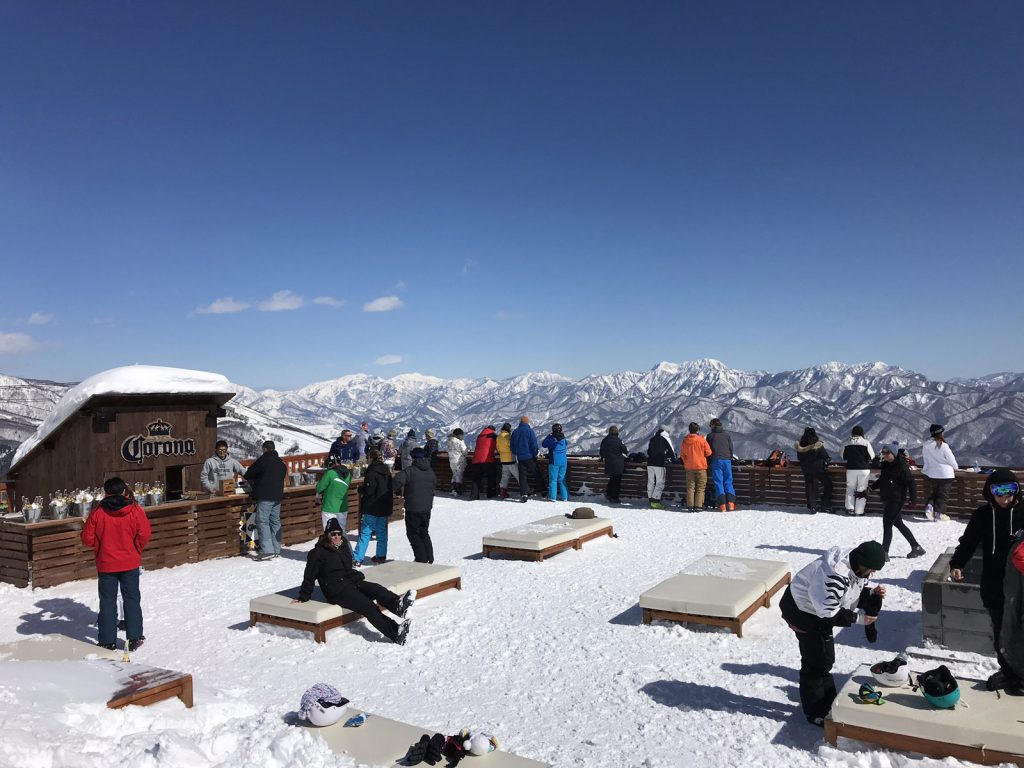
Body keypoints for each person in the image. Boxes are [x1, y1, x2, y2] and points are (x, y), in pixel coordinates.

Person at [780, 540, 887, 726]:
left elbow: (849, 592)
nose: (873, 574)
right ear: (862, 564)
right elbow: (829, 613)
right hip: (802, 612)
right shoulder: (833, 576)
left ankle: (827, 702)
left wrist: (870, 594)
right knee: (815, 663)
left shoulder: (854, 564)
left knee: (824, 659)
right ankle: (815, 713)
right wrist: (860, 620)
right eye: (871, 569)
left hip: (817, 609)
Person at [949, 468, 1024, 691]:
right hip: (994, 583)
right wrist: (957, 564)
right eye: (998, 490)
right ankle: (1009, 673)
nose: (1004, 496)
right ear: (989, 492)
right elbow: (968, 543)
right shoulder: (982, 515)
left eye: (1009, 489)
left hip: (1021, 582)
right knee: (1002, 630)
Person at [295, 517, 413, 645]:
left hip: (349, 581)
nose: (336, 536)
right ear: (326, 535)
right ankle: (396, 633)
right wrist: (303, 596)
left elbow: (347, 568)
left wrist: (356, 576)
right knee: (368, 606)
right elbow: (309, 576)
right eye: (333, 534)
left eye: (339, 533)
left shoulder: (343, 546)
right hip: (336, 591)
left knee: (377, 589)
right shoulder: (318, 553)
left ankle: (398, 605)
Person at [81, 477, 152, 651]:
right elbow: (145, 534)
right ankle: (134, 637)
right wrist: (136, 548)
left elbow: (87, 539)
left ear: (106, 493)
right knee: (132, 599)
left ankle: (107, 640)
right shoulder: (135, 509)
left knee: (107, 601)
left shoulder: (97, 512)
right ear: (124, 491)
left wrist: (100, 544)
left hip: (106, 564)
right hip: (129, 561)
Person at [868, 443, 925, 559]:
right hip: (887, 498)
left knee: (887, 524)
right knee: (898, 524)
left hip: (897, 499)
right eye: (883, 453)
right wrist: (870, 488)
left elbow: (911, 484)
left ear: (894, 453)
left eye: (887, 453)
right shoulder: (885, 465)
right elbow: (882, 480)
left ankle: (884, 553)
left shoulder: (902, 467)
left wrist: (913, 500)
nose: (885, 455)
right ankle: (916, 547)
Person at [244, 440, 287, 561]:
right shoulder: (281, 463)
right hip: (278, 496)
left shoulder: (263, 460)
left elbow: (248, 474)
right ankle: (276, 549)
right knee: (275, 521)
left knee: (262, 522)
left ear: (264, 449)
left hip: (265, 496)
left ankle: (267, 550)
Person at [395, 447, 437, 563]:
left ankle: (421, 559)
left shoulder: (409, 471)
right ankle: (429, 557)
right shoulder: (430, 471)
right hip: (427, 507)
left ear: (413, 457)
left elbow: (396, 482)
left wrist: (396, 491)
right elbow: (434, 484)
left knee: (413, 533)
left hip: (413, 508)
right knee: (424, 532)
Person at [353, 450, 393, 566]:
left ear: (371, 458)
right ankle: (381, 556)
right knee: (381, 533)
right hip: (384, 506)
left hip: (372, 506)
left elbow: (369, 490)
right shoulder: (386, 471)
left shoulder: (371, 472)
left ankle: (357, 558)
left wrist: (360, 489)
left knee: (365, 533)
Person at [922, 424, 958, 519]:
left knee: (935, 493)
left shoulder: (926, 446)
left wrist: (926, 470)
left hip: (933, 474)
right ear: (940, 433)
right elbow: (951, 460)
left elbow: (926, 460)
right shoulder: (943, 445)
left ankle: (929, 507)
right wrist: (955, 467)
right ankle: (939, 514)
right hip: (946, 474)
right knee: (943, 495)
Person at [795, 427, 833, 514]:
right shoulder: (817, 445)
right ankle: (825, 503)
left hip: (806, 469)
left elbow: (799, 457)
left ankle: (812, 506)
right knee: (828, 485)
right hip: (818, 469)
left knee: (809, 486)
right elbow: (825, 456)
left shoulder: (800, 445)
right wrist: (827, 461)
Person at [842, 426, 875, 516]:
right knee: (862, 489)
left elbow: (843, 456)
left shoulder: (847, 442)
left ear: (852, 432)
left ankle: (850, 509)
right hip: (864, 469)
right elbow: (872, 456)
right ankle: (859, 511)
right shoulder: (865, 442)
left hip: (851, 468)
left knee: (850, 488)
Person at [680, 422, 712, 512]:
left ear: (689, 430)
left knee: (690, 487)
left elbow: (682, 455)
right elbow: (709, 452)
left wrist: (687, 460)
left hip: (689, 467)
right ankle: (698, 506)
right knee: (701, 487)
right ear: (697, 430)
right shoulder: (702, 440)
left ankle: (690, 506)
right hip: (701, 466)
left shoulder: (685, 440)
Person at [707, 418, 737, 511]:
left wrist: (709, 461)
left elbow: (708, 451)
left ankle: (722, 505)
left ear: (713, 425)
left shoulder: (710, 436)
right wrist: (730, 457)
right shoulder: (727, 435)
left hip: (716, 460)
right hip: (727, 460)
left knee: (718, 482)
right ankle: (731, 504)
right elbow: (731, 448)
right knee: (728, 481)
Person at [315, 457, 352, 531]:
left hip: (329, 507)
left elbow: (319, 488)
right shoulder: (348, 474)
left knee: (329, 531)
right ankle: (343, 542)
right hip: (342, 507)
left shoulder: (330, 473)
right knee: (341, 531)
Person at [511, 416, 542, 502]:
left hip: (520, 458)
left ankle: (524, 493)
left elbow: (512, 446)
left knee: (522, 476)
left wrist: (517, 453)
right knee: (536, 473)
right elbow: (534, 444)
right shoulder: (529, 431)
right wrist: (535, 453)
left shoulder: (515, 432)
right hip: (530, 457)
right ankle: (542, 489)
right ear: (527, 422)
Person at [646, 426, 675, 509]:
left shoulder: (652, 439)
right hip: (659, 463)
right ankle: (655, 501)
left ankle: (650, 499)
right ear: (666, 431)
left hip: (650, 463)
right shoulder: (665, 438)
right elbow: (671, 450)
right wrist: (674, 460)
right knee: (660, 482)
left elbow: (648, 451)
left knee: (651, 481)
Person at [600, 425, 628, 504]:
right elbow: (625, 450)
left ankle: (609, 495)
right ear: (617, 432)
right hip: (618, 464)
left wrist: (603, 457)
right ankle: (615, 498)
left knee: (612, 479)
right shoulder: (618, 440)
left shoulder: (605, 440)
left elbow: (602, 452)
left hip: (609, 463)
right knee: (617, 481)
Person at [471, 425, 499, 500]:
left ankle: (474, 495)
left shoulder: (479, 436)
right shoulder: (493, 436)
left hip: (476, 459)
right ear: (493, 430)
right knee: (492, 476)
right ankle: (490, 493)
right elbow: (498, 447)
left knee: (476, 478)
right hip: (487, 459)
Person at [542, 423, 569, 501]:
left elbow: (544, 444)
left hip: (554, 461)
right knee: (562, 479)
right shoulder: (564, 439)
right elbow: (566, 444)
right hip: (564, 461)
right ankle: (565, 497)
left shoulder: (552, 439)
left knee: (553, 480)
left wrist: (549, 436)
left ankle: (552, 497)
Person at [496, 422, 518, 500]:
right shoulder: (508, 436)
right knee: (518, 475)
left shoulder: (498, 436)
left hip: (503, 459)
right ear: (509, 429)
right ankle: (525, 490)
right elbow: (512, 446)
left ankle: (503, 491)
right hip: (510, 458)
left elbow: (497, 448)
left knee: (505, 476)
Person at [447, 428, 470, 496]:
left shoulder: (449, 440)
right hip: (459, 460)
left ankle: (453, 489)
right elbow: (465, 452)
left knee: (454, 474)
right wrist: (468, 449)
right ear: (458, 435)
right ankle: (457, 490)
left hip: (451, 459)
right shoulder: (459, 442)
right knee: (459, 475)